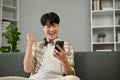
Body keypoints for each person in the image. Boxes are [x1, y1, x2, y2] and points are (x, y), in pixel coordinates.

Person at [23, 12, 80, 80]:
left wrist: (64, 61)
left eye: (54, 26)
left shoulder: (66, 46)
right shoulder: (36, 46)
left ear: (58, 26)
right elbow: (27, 69)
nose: (52, 29)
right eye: (48, 26)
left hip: (58, 79)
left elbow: (70, 74)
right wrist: (30, 43)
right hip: (37, 78)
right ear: (43, 28)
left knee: (74, 78)